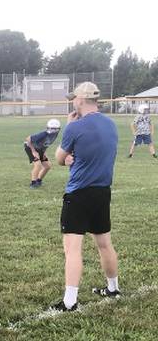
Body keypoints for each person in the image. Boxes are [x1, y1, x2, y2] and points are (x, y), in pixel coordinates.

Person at [50, 82, 120, 312]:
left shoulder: (74, 127)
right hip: (103, 191)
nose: (72, 102)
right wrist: (75, 157)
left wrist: (70, 127)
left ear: (80, 100)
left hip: (79, 193)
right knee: (104, 243)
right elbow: (96, 153)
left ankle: (70, 301)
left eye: (74, 99)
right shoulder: (111, 125)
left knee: (72, 248)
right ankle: (113, 288)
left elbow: (59, 158)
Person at [24, 119, 61, 188]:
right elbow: (28, 139)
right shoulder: (44, 134)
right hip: (30, 147)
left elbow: (45, 144)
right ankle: (33, 183)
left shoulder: (55, 134)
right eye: (51, 128)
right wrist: (34, 152)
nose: (53, 130)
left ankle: (39, 180)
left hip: (39, 149)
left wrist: (43, 153)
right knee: (38, 165)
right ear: (48, 128)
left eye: (55, 129)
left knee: (48, 166)